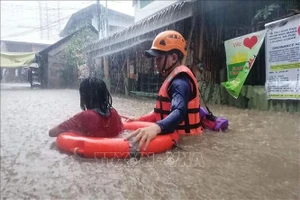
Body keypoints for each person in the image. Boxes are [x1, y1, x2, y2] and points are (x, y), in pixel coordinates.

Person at [125, 30, 202, 151]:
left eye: (159, 58)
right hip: (177, 137)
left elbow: (179, 111)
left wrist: (156, 128)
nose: (156, 63)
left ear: (174, 57)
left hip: (185, 143)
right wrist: (139, 119)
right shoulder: (173, 78)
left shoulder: (180, 83)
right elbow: (160, 111)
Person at [49, 77, 123, 138]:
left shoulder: (86, 116)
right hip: (113, 149)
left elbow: (52, 133)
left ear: (85, 97)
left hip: (92, 152)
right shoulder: (114, 113)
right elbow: (121, 130)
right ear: (104, 94)